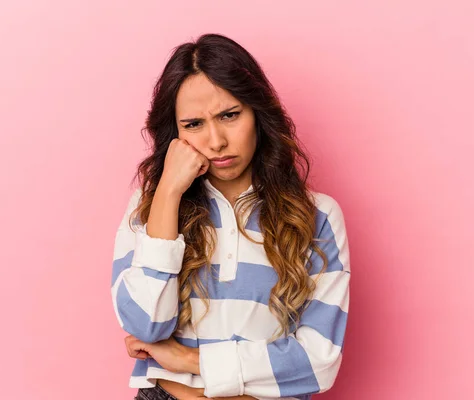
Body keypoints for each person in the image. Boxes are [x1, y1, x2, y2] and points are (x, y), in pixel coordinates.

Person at [111, 33, 351, 400]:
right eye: (193, 124)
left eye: (229, 115)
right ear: (173, 133)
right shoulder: (151, 207)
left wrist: (192, 360)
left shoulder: (316, 216)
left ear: (258, 113)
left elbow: (320, 361)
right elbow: (146, 324)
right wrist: (169, 192)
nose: (216, 140)